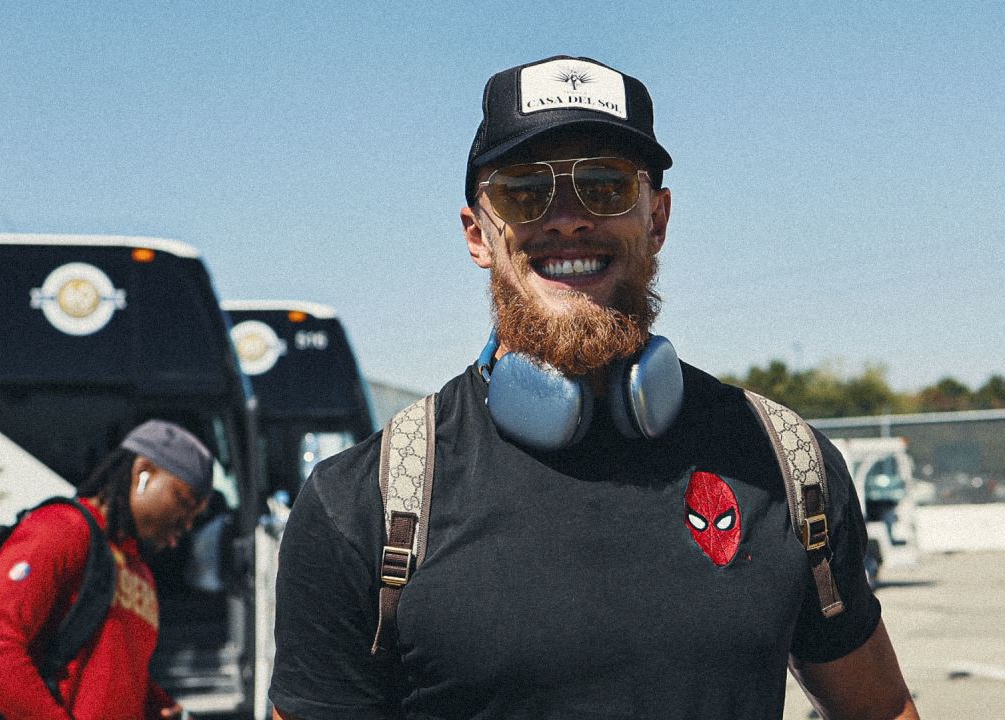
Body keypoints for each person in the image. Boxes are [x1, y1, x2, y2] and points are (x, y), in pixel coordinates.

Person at [270, 55, 920, 719]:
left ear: (657, 220)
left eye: (605, 186)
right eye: (526, 191)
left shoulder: (785, 464)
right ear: (478, 234)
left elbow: (882, 708)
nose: (569, 219)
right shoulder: (367, 507)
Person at [0, 419, 214, 720]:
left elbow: (114, 671)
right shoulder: (62, 530)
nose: (187, 523)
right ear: (143, 472)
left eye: (195, 515)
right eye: (183, 501)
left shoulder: (139, 571)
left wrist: (155, 703)